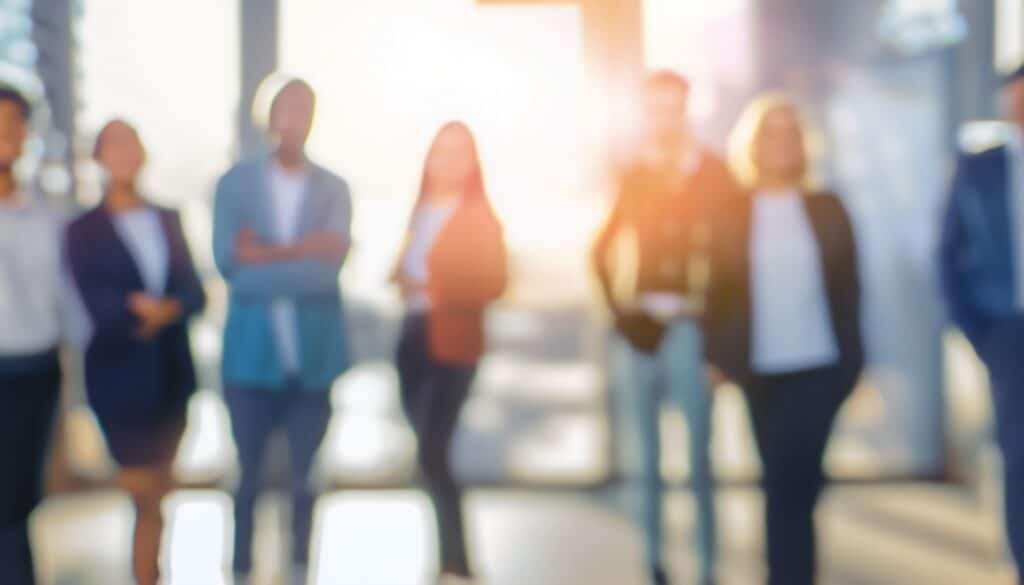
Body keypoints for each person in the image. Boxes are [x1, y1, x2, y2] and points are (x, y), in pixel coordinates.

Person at [705, 93, 864, 585]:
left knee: (798, 485)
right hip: (759, 371)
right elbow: (717, 287)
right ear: (753, 144)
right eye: (769, 132)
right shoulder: (732, 210)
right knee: (780, 483)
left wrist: (855, 364)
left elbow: (849, 288)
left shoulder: (827, 207)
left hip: (819, 367)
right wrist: (716, 355)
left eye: (789, 132)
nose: (780, 142)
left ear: (802, 143)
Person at [591, 71, 738, 585]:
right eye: (655, 107)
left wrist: (721, 334)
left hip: (693, 328)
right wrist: (621, 312)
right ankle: (653, 561)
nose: (665, 117)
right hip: (642, 329)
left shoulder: (714, 173)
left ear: (686, 108)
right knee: (647, 457)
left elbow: (733, 260)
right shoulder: (635, 174)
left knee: (699, 456)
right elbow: (602, 248)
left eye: (673, 106)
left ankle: (706, 566)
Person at [212, 78, 352, 585]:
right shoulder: (235, 185)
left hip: (313, 363)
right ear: (268, 117)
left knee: (303, 480)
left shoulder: (334, 189)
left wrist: (265, 254)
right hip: (249, 362)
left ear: (313, 118)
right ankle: (242, 569)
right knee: (247, 478)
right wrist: (303, 249)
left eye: (304, 109)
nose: (293, 119)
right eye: (284, 109)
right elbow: (234, 271)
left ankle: (298, 570)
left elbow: (325, 276)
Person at [66, 120, 207, 585]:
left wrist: (168, 309)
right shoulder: (83, 229)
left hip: (171, 376)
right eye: (114, 145)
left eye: (132, 143)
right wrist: (137, 311)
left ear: (144, 153)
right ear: (99, 157)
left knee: (159, 493)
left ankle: (151, 572)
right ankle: (146, 574)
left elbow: (195, 294)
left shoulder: (168, 218)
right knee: (141, 493)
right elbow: (95, 301)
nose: (124, 153)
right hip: (118, 378)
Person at [393, 122, 507, 585]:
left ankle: (457, 562)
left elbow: (495, 283)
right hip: (413, 337)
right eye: (441, 152)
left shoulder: (480, 216)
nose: (449, 162)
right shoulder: (420, 210)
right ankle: (448, 558)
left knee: (434, 450)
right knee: (427, 453)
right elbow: (404, 268)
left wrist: (433, 286)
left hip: (454, 343)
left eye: (460, 153)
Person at [940, 63, 1024, 582]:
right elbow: (948, 256)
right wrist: (977, 332)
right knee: (1018, 457)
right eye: (1015, 97)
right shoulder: (978, 166)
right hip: (1006, 333)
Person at [0, 86, 82, 585]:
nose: (5, 132)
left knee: (19, 500)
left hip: (36, 371)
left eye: (14, 122)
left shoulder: (51, 217)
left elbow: (69, 302)